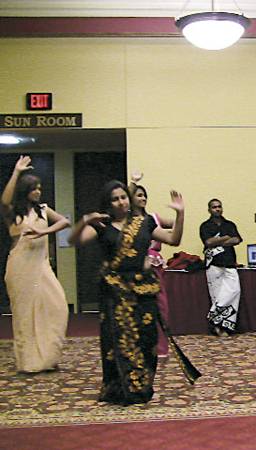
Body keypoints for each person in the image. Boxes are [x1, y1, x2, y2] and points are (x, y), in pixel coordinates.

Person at [69, 180, 185, 405]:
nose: (120, 202)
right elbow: (73, 241)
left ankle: (142, 385)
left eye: (123, 197)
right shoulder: (101, 226)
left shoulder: (145, 222)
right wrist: (84, 221)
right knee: (118, 342)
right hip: (115, 293)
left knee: (146, 339)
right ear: (108, 203)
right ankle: (121, 388)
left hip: (143, 290)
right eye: (115, 199)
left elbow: (174, 239)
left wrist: (181, 214)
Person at [0, 155, 70, 373]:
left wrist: (44, 231)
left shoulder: (43, 209)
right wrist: (17, 172)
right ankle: (30, 362)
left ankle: (47, 356)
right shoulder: (13, 213)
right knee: (24, 315)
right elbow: (4, 201)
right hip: (20, 267)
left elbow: (65, 221)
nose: (38, 192)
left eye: (39, 188)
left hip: (41, 267)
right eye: (33, 188)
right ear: (25, 191)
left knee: (58, 307)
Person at [129, 171, 174, 358]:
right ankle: (139, 347)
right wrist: (133, 182)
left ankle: (161, 347)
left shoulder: (153, 219)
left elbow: (174, 224)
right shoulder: (127, 221)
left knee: (160, 306)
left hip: (155, 268)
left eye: (145, 195)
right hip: (135, 268)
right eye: (139, 195)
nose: (143, 198)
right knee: (136, 307)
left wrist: (180, 212)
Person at [199, 198, 242, 337]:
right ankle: (219, 328)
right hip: (213, 265)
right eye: (214, 207)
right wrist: (225, 238)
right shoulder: (205, 226)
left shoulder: (229, 224)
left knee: (234, 291)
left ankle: (213, 318)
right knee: (217, 297)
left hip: (230, 264)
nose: (217, 209)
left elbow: (237, 239)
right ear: (209, 209)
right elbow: (208, 242)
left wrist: (217, 241)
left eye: (219, 207)